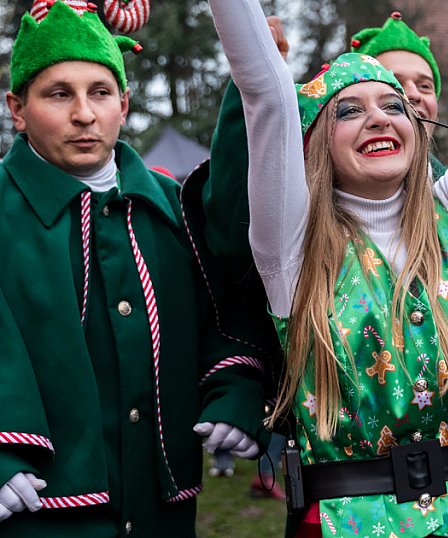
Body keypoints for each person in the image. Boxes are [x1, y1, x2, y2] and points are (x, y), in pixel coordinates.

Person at [208, 0, 448, 537]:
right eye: (349, 110)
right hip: (345, 522)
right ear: (313, 145)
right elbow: (265, 93)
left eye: (394, 105)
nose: (379, 117)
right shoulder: (290, 247)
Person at [0, 2, 270, 535]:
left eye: (100, 92)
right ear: (17, 108)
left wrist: (236, 390)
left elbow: (228, 313)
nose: (84, 113)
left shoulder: (173, 206)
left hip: (162, 516)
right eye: (59, 94)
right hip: (36, 513)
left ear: (123, 104)